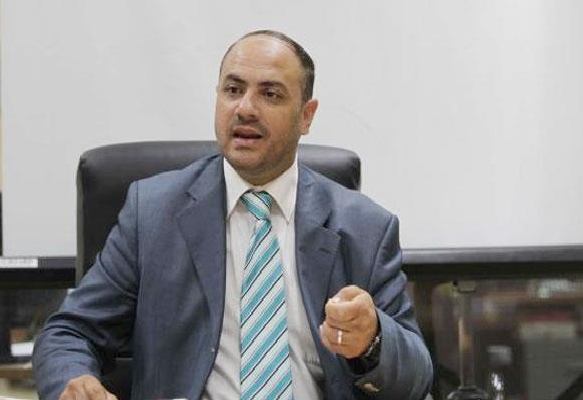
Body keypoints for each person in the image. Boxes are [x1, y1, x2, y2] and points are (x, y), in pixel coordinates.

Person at [32, 30, 433, 400]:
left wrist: (373, 341)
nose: (245, 108)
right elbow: (69, 332)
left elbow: (417, 379)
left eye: (270, 94)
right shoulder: (153, 212)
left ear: (306, 116)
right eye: (233, 90)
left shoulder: (365, 227)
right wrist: (74, 381)